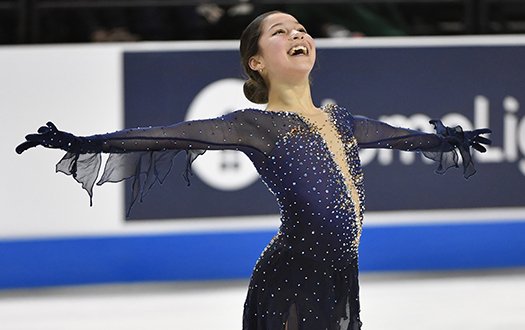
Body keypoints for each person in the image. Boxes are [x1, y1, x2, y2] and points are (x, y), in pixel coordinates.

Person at [16, 11, 491, 330]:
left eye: (301, 28)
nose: (297, 35)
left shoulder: (342, 121)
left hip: (341, 274)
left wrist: (450, 140)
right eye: (281, 32)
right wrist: (84, 143)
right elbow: (170, 134)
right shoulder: (254, 126)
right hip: (290, 274)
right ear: (257, 61)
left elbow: (398, 135)